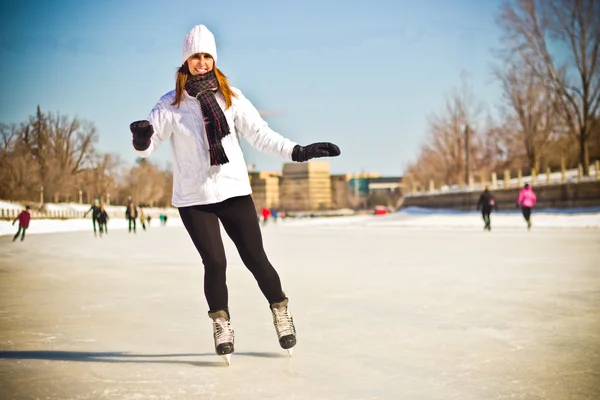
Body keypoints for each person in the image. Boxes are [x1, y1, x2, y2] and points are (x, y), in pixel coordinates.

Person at [129, 24, 341, 364]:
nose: (201, 62)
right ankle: (221, 323)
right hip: (194, 198)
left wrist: (298, 152)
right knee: (214, 262)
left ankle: (280, 311)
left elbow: (262, 135)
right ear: (186, 61)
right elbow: (149, 145)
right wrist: (141, 139)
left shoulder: (232, 98)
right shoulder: (170, 104)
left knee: (256, 258)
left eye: (207, 56)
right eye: (195, 57)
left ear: (214, 59)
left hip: (233, 191)